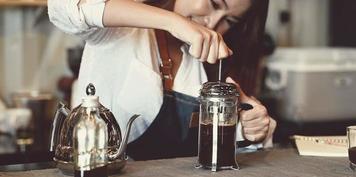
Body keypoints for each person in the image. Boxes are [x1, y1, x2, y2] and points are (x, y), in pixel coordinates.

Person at [48, 0, 276, 160]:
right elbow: (65, 7)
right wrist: (173, 21)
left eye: (230, 21)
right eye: (215, 4)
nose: (213, 24)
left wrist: (248, 131)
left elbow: (214, 157)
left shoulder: (199, 69)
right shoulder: (119, 31)